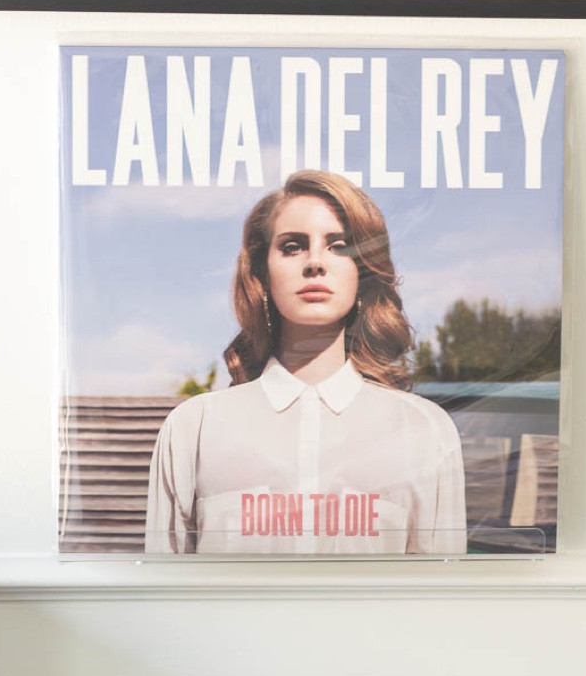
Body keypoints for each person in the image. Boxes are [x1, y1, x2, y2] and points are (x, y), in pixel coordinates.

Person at [145, 170, 467, 557]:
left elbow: (438, 588)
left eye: (339, 246)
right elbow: (163, 583)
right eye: (293, 246)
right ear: (262, 273)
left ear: (363, 272)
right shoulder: (194, 428)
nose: (315, 262)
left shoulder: (424, 430)